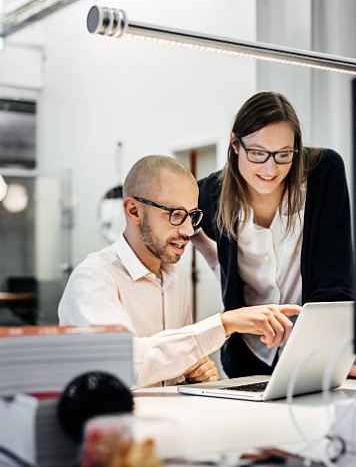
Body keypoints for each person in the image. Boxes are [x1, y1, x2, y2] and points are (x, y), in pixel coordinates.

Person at [58, 155, 302, 388]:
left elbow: (171, 363)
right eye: (175, 214)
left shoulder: (177, 279)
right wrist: (224, 324)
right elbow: (123, 366)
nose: (188, 230)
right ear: (133, 211)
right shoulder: (92, 279)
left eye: (192, 216)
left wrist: (193, 372)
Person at [193, 91, 356, 382]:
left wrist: (330, 357)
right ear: (235, 144)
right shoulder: (212, 192)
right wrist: (214, 260)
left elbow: (334, 280)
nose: (271, 169)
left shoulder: (323, 173)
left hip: (310, 352)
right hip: (247, 355)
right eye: (257, 153)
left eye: (284, 154)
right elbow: (176, 219)